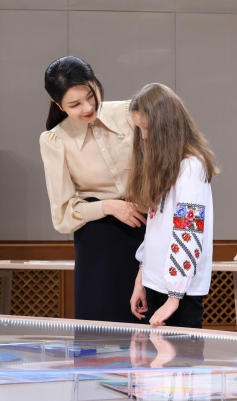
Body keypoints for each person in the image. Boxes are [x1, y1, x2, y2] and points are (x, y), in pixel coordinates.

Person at [40, 56, 147, 323]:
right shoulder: (55, 140)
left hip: (150, 228)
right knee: (102, 332)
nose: (88, 107)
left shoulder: (129, 113)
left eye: (91, 95)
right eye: (75, 104)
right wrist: (110, 206)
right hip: (100, 242)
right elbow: (63, 215)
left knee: (155, 330)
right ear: (58, 105)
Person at [127, 83, 218, 329]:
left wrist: (174, 297)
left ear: (166, 127)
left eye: (147, 129)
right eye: (140, 129)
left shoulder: (191, 168)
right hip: (156, 284)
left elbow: (188, 233)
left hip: (179, 294)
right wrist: (141, 280)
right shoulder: (165, 166)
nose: (144, 136)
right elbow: (155, 231)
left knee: (181, 366)